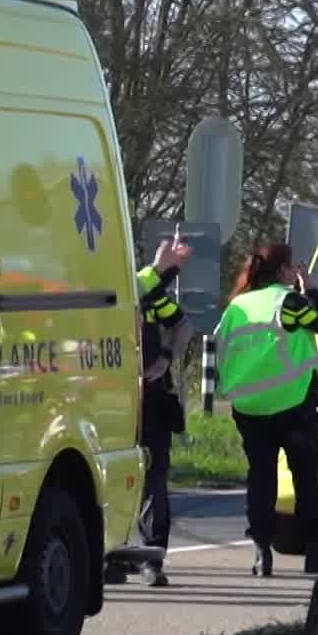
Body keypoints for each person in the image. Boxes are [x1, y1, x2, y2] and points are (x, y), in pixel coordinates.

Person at [213, 243, 318, 577]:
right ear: (285, 270)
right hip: (292, 402)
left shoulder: (236, 306)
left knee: (261, 478)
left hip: (248, 405)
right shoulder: (289, 302)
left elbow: (220, 347)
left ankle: (260, 552)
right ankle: (314, 552)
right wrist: (310, 288)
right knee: (305, 478)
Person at [134, 236, 194, 587]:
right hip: (105, 400)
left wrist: (166, 358)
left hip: (151, 398)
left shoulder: (148, 296)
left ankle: (151, 556)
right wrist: (162, 268)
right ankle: (112, 553)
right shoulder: (109, 289)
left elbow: (183, 325)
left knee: (154, 476)